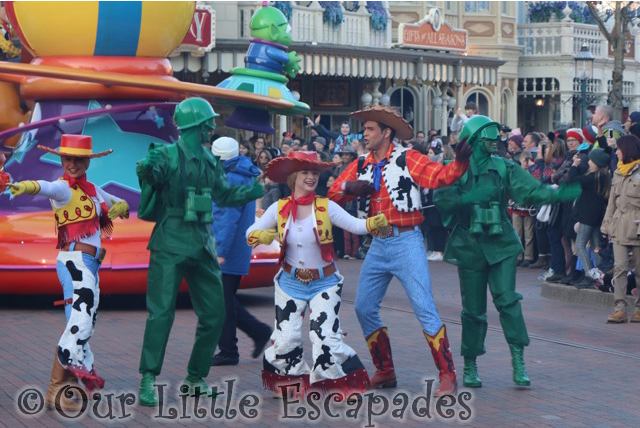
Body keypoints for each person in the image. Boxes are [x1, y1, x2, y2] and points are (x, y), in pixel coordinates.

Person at [329, 105, 473, 395]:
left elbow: (440, 177)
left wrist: (459, 163)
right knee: (363, 306)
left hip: (406, 240)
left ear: (386, 132)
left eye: (370, 129)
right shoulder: (360, 164)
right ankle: (385, 371)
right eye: (365, 129)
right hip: (379, 242)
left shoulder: (408, 158)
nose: (364, 134)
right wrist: (349, 186)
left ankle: (448, 374)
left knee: (424, 307)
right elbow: (331, 197)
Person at [433, 115, 580, 389]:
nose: (496, 141)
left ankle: (518, 359)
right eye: (490, 137)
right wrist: (466, 198)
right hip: (470, 243)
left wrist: (557, 194)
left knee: (508, 302)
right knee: (473, 310)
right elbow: (441, 199)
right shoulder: (454, 169)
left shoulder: (504, 166)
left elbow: (531, 190)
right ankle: (471, 363)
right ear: (476, 139)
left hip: (500, 242)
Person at [136, 98, 264, 406]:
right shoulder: (165, 155)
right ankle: (148, 378)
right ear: (196, 124)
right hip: (169, 242)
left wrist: (254, 190)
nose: (211, 127)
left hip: (202, 243)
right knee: (161, 314)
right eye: (208, 122)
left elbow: (224, 194)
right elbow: (147, 176)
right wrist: (147, 168)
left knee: (215, 312)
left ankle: (195, 378)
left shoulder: (209, 160)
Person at [246, 151, 389, 398]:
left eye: (314, 172)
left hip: (324, 283)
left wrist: (373, 224)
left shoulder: (325, 206)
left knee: (326, 337)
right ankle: (289, 383)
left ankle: (336, 383)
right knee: (287, 337)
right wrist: (261, 235)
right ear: (293, 177)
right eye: (305, 172)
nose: (311, 177)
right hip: (290, 282)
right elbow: (251, 231)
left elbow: (355, 225)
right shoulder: (278, 209)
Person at [8, 134, 130, 410]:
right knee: (80, 323)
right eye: (67, 159)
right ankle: (57, 390)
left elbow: (117, 202)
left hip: (89, 264)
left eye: (78, 159)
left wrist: (120, 207)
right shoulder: (64, 189)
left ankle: (78, 384)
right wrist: (24, 187)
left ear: (87, 161)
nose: (72, 164)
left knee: (82, 323)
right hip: (74, 260)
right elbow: (45, 187)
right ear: (61, 160)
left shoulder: (94, 189)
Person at [209, 137, 272, 366]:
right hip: (237, 247)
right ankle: (241, 341)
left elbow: (227, 218)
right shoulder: (243, 173)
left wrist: (220, 250)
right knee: (224, 300)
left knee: (221, 301)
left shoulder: (230, 177)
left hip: (226, 248)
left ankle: (234, 346)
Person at [601, 134, 640, 323]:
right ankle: (620, 308)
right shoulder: (617, 172)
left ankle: (639, 309)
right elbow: (611, 202)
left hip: (638, 225)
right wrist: (606, 225)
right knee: (620, 268)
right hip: (619, 225)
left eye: (618, 148)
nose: (616, 151)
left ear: (628, 150)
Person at [568, 148, 611, 289]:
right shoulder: (603, 177)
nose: (589, 162)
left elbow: (574, 179)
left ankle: (589, 275)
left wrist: (574, 165)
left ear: (597, 163)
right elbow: (582, 179)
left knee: (580, 244)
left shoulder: (592, 178)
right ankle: (600, 274)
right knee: (595, 246)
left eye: (591, 160)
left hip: (587, 216)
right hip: (597, 217)